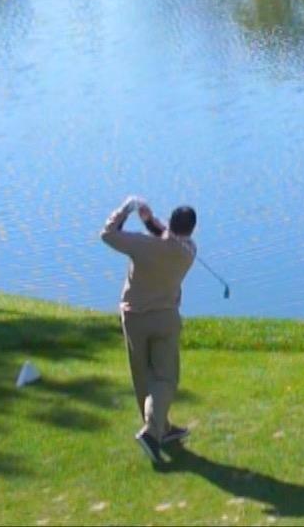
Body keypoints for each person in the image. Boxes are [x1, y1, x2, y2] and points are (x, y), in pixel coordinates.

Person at [100, 195, 198, 463]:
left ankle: (157, 429)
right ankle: (155, 431)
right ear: (191, 229)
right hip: (165, 318)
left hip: (134, 318)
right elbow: (169, 238)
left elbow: (108, 234)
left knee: (143, 375)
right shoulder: (189, 250)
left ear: (170, 222)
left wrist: (127, 209)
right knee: (165, 378)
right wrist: (149, 221)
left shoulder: (143, 246)